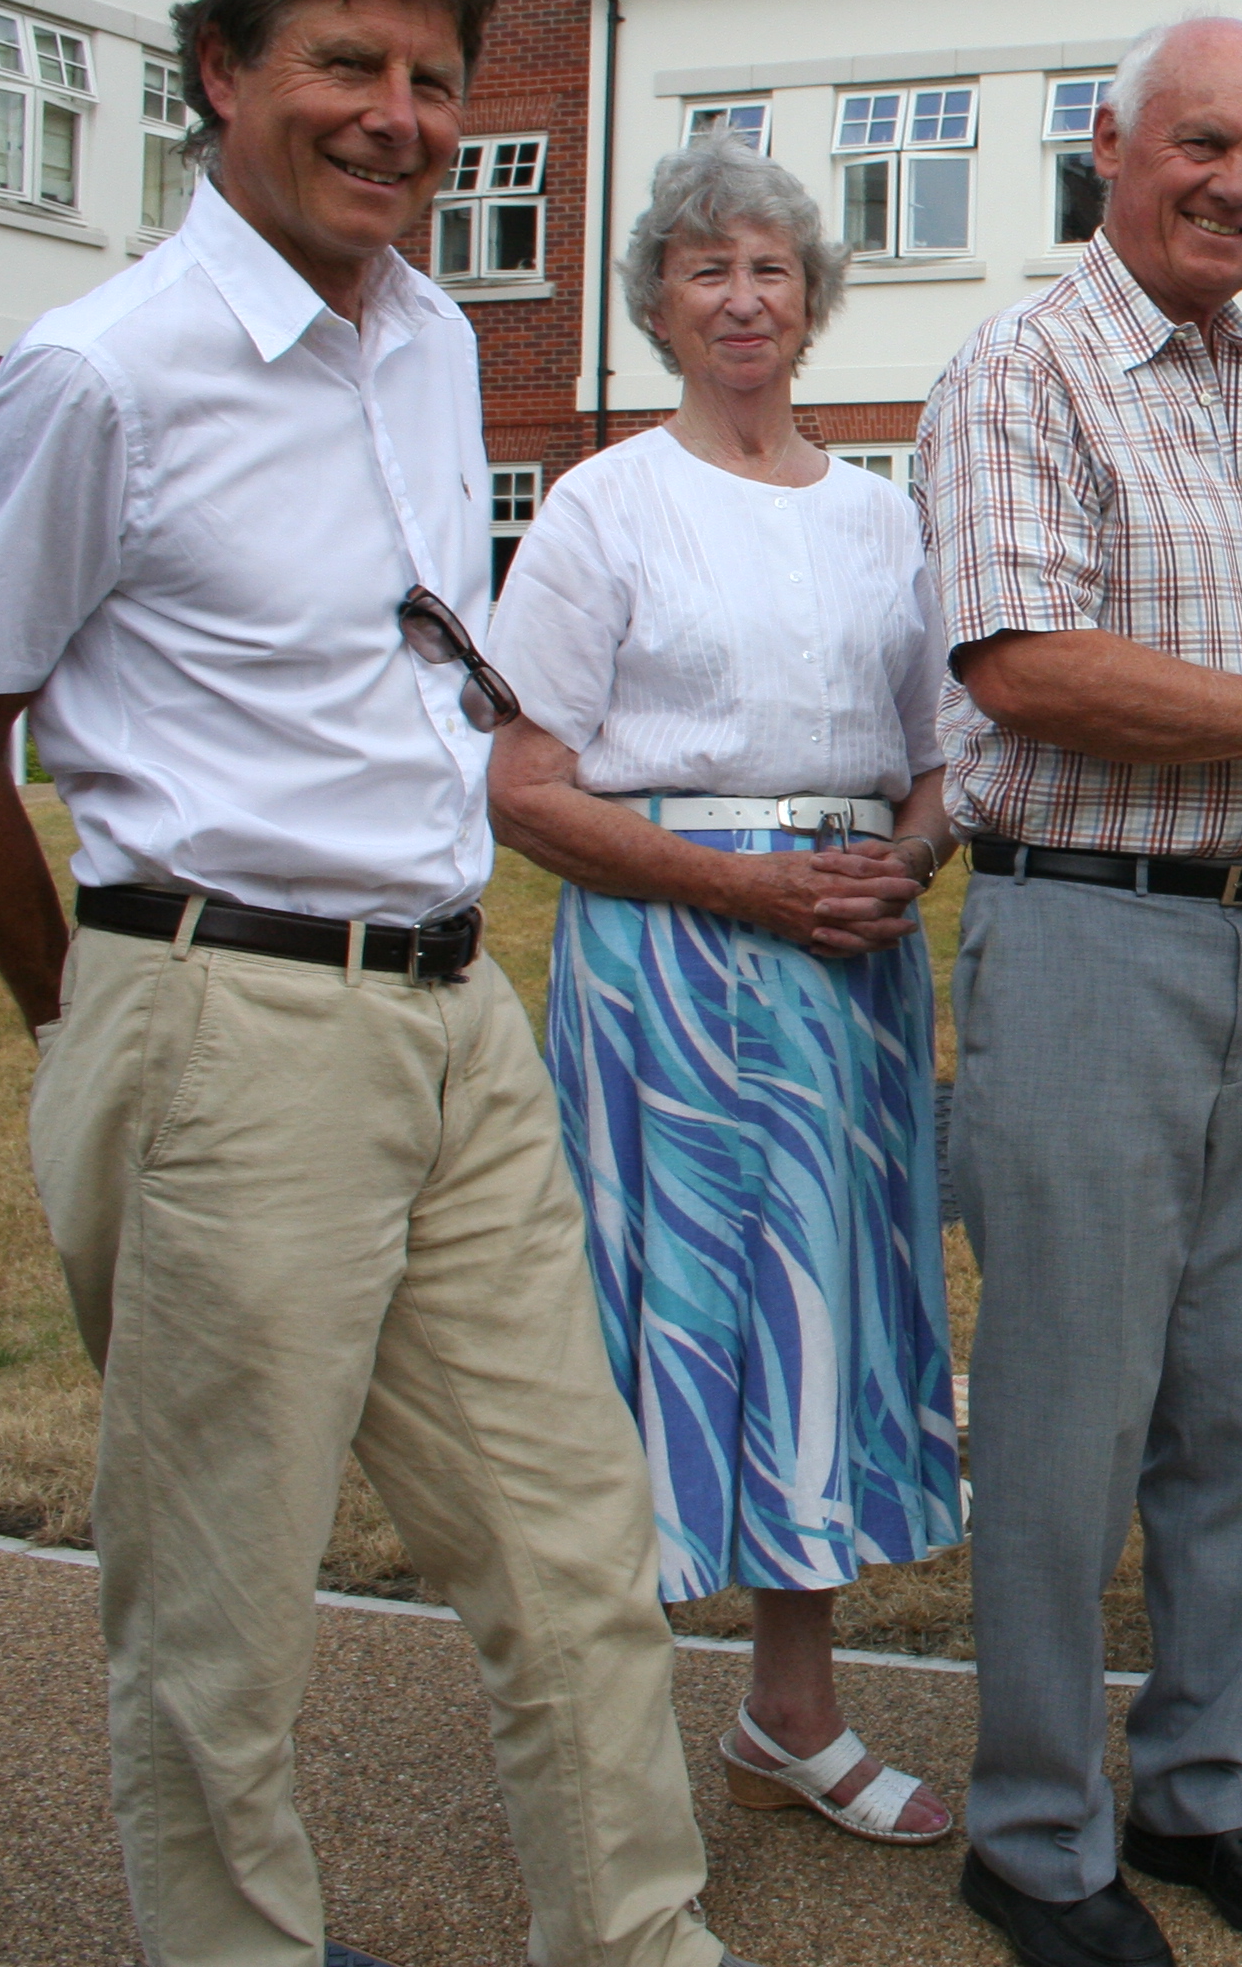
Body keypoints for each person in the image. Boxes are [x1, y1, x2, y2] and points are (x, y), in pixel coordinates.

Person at [0, 0, 737, 1967]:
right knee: (223, 1609)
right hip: (224, 1026)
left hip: (454, 1018)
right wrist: (83, 1014)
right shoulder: (102, 374)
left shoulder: (431, 339)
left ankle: (637, 1942)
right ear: (220, 71)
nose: (398, 117)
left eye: (434, 81)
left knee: (572, 1546)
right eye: (346, 63)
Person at [918, 15, 1242, 1967]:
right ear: (1110, 144)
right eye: (1199, 144)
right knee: (1070, 1416)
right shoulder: (1023, 367)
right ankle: (1034, 1834)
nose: (1236, 185)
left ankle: (1205, 1788)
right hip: (1085, 933)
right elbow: (1026, 660)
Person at [483, 137, 961, 1847]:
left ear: (813, 302)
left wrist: (906, 863)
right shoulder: (604, 505)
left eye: (771, 269)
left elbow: (939, 758)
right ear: (660, 306)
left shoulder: (885, 516)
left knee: (816, 1311)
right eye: (708, 271)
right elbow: (524, 788)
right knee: (661, 1320)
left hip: (846, 977)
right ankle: (604, 1739)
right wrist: (741, 884)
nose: (744, 299)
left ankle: (790, 1715)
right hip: (665, 972)